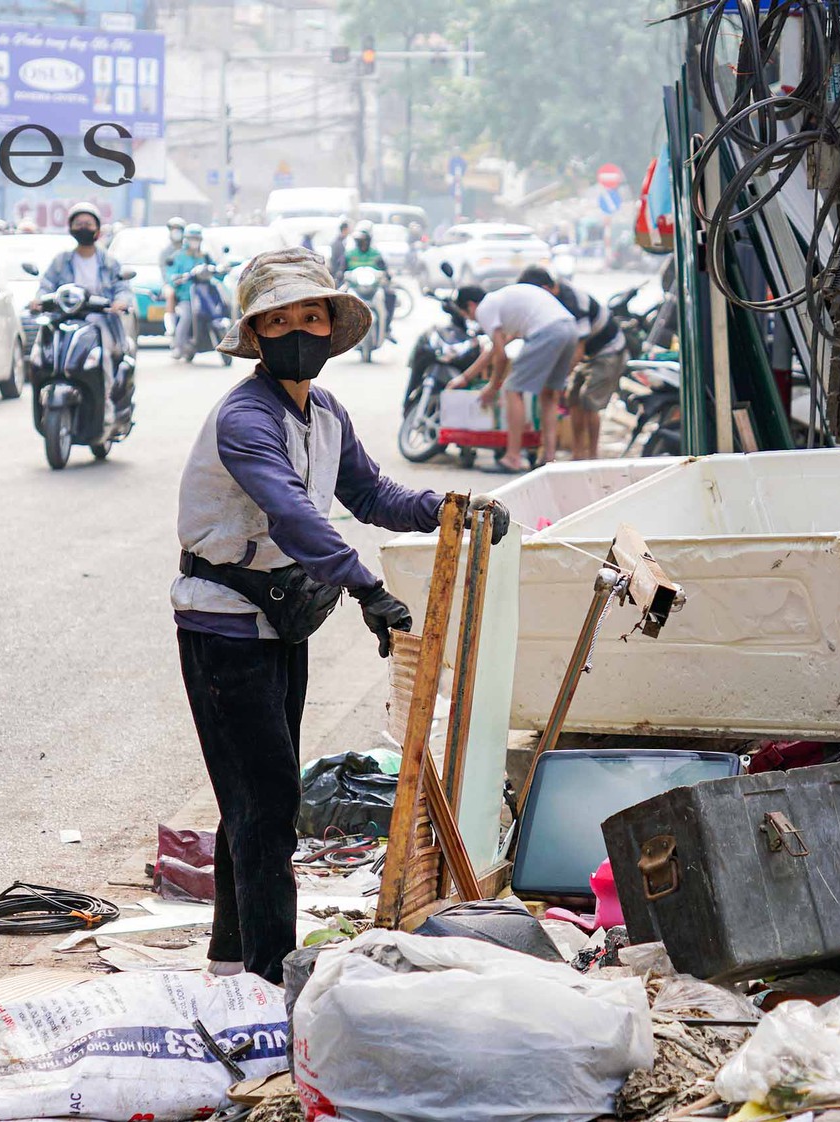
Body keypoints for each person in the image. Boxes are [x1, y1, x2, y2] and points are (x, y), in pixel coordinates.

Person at [170, 246, 507, 984]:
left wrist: (453, 508)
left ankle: (231, 964)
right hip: (225, 626)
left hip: (282, 621)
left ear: (330, 328)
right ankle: (268, 978)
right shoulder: (244, 418)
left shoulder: (323, 412)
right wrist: (365, 586)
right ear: (256, 335)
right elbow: (291, 514)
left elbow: (372, 493)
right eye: (278, 319)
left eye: (310, 315)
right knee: (265, 805)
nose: (297, 329)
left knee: (255, 798)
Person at [452, 277, 578, 471]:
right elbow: (494, 349)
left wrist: (492, 387)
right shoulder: (504, 302)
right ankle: (549, 458)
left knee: (512, 389)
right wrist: (466, 377)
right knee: (549, 393)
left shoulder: (485, 308)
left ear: (470, 305)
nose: (471, 319)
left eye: (467, 315)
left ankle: (512, 458)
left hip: (547, 331)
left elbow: (500, 356)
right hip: (569, 328)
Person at [516, 266, 625, 461]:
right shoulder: (550, 303)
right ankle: (577, 454)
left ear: (546, 288)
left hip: (608, 350)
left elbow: (578, 349)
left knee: (589, 401)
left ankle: (592, 455)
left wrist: (559, 378)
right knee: (573, 398)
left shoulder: (573, 301)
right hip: (586, 355)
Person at [34, 202, 134, 404]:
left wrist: (119, 302)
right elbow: (46, 285)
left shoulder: (109, 261)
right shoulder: (61, 261)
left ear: (97, 228)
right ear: (70, 228)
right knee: (43, 353)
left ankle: (106, 403)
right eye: (78, 223)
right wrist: (38, 300)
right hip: (65, 320)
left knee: (102, 355)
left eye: (88, 224)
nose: (83, 228)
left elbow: (122, 287)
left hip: (100, 322)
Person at [160, 222, 216, 349]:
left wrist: (220, 269)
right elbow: (170, 274)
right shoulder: (178, 256)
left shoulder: (205, 255)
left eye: (197, 239)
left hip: (205, 294)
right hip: (186, 296)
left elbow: (216, 269)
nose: (194, 242)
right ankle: (177, 346)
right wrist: (176, 278)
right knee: (187, 316)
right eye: (192, 239)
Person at [341, 224, 396, 343]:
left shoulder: (375, 254)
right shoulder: (350, 254)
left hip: (374, 287)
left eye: (364, 241)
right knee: (338, 299)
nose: (362, 243)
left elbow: (385, 269)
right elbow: (341, 270)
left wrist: (388, 275)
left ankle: (386, 328)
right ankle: (340, 329)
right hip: (355, 287)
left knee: (391, 295)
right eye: (359, 241)